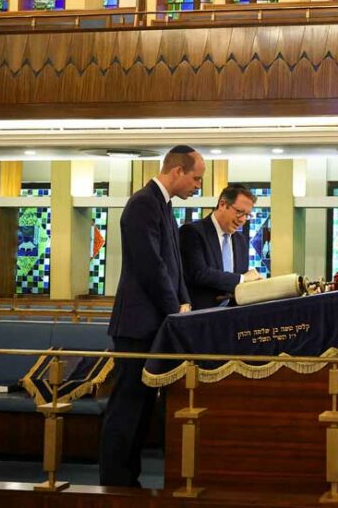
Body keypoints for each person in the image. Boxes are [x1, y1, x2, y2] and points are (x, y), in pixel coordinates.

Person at [99, 145, 203, 488]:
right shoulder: (142, 203)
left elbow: (174, 266)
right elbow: (150, 267)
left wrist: (185, 303)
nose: (198, 186)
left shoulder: (164, 205)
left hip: (154, 323)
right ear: (177, 171)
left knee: (143, 410)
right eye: (196, 178)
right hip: (137, 325)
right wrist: (175, 308)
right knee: (127, 408)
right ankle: (114, 483)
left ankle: (129, 481)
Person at [180, 183, 265, 310]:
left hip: (233, 314)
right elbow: (199, 273)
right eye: (239, 212)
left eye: (247, 215)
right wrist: (243, 278)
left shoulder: (241, 240)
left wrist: (253, 284)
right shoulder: (192, 232)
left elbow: (239, 282)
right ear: (222, 204)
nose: (242, 219)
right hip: (200, 314)